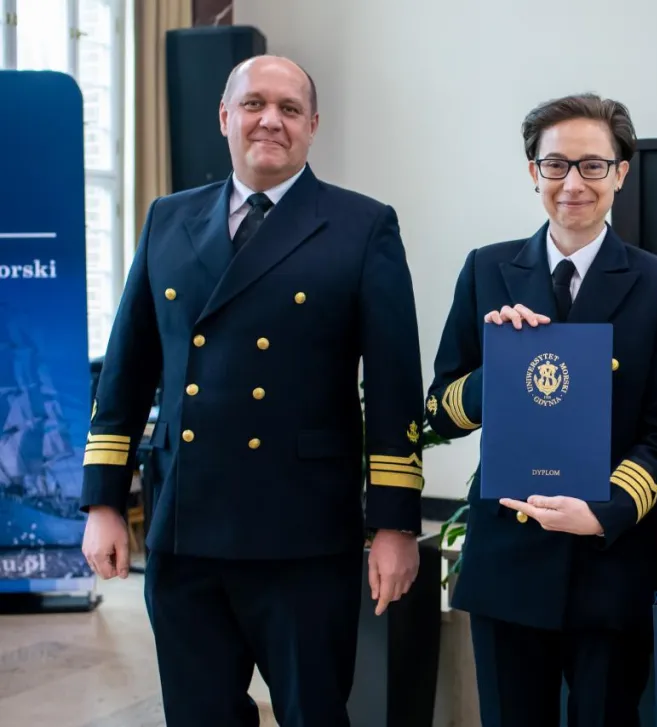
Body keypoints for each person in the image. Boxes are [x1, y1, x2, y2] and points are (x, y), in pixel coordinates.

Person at [79, 55, 425, 727]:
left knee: (312, 713)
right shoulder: (167, 219)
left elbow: (393, 386)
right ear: (225, 117)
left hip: (303, 533)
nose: (270, 120)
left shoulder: (361, 225)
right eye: (254, 104)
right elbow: (126, 372)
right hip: (186, 525)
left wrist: (395, 524)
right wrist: (103, 501)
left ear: (313, 125)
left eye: (289, 109)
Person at [425, 93, 657, 726]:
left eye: (593, 165)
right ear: (533, 172)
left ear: (620, 173)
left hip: (609, 561)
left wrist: (603, 512)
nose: (573, 183)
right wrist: (499, 369)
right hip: (508, 560)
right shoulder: (487, 269)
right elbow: (439, 411)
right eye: (556, 165)